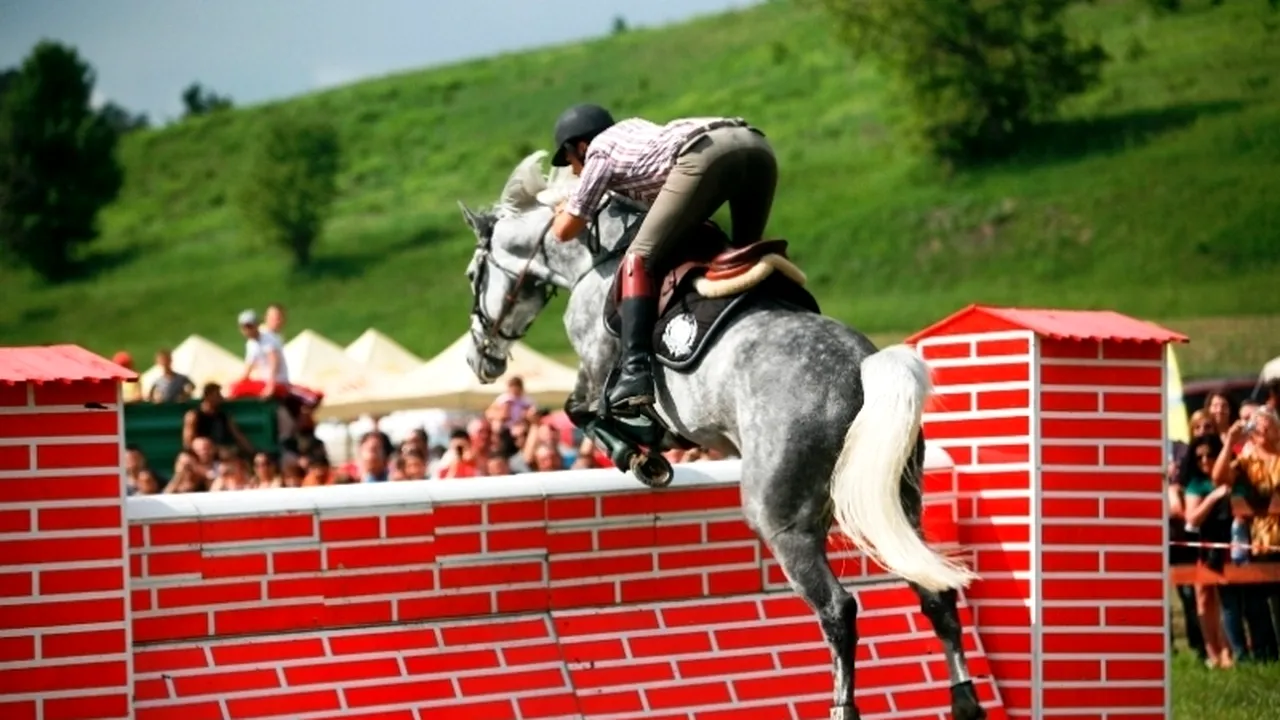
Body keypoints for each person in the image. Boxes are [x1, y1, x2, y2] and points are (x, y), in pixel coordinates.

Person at [546, 104, 778, 411]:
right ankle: (772, 313)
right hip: (753, 143)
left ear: (581, 146)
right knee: (742, 257)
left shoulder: (598, 151)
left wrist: (562, 209)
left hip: (704, 155)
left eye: (571, 162)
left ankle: (635, 373)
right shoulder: (633, 130)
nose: (574, 171)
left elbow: (564, 231)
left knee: (637, 260)